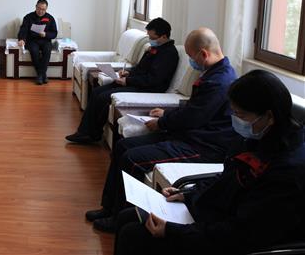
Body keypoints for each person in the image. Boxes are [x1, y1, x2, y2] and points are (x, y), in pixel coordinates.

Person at [113, 70, 305, 255]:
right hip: (220, 214)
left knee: (133, 235)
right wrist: (189, 194)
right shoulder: (256, 137)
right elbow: (228, 177)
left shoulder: (289, 170)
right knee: (127, 216)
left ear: (269, 116)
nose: (236, 120)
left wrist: (172, 231)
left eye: (241, 115)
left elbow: (243, 233)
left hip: (233, 237)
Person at [85, 28, 238, 233]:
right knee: (122, 146)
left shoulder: (219, 81)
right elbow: (194, 108)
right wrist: (167, 113)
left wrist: (162, 122)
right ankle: (109, 207)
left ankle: (119, 218)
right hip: (190, 135)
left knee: (132, 159)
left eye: (192, 57)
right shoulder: (214, 73)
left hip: (203, 146)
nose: (191, 63)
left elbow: (193, 117)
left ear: (203, 54)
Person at [66, 18, 179, 144]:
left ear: (163, 36)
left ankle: (92, 134)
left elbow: (153, 80)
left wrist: (128, 81)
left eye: (152, 37)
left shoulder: (169, 54)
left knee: (104, 97)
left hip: (148, 88)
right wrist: (128, 73)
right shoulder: (155, 48)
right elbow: (140, 68)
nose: (150, 40)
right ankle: (85, 132)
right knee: (97, 92)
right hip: (137, 82)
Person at [17, 0, 58, 85]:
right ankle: (42, 75)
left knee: (47, 50)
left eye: (43, 9)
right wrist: (22, 39)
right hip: (32, 40)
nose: (40, 11)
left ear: (46, 9)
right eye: (39, 8)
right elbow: (23, 30)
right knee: (34, 51)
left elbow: (54, 33)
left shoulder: (50, 18)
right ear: (36, 7)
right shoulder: (28, 17)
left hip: (45, 40)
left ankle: (40, 75)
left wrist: (46, 34)